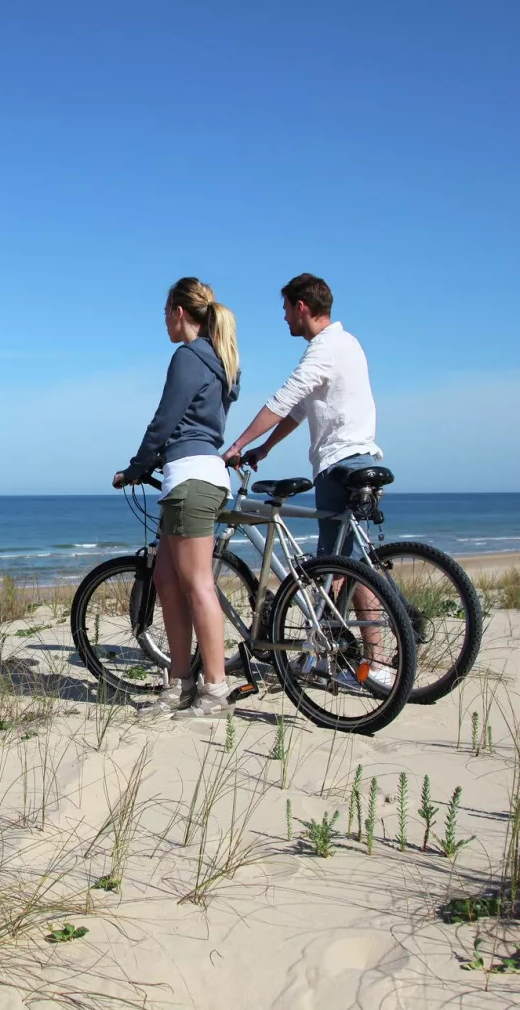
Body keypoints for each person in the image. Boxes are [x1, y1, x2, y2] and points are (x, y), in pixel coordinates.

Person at [223, 272, 392, 689]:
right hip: (360, 456)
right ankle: (349, 658)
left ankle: (375, 663)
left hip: (340, 464)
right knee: (347, 566)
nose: (283, 319)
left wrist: (239, 443)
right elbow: (300, 410)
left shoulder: (324, 349)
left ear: (302, 307)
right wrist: (265, 450)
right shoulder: (348, 343)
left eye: (285, 310)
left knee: (339, 567)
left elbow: (282, 401)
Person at [113, 277, 240, 719]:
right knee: (167, 581)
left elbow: (165, 421)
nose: (164, 320)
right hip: (187, 478)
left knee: (197, 583)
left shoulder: (189, 356)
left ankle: (216, 690)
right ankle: (180, 682)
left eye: (165, 311)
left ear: (179, 312)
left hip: (191, 478)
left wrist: (134, 467)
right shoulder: (218, 358)